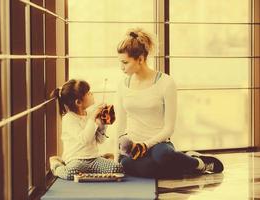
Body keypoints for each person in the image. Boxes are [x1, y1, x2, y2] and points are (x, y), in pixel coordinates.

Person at [114, 28, 224, 178]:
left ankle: (199, 164)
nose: (121, 67)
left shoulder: (165, 82)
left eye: (125, 62)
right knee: (133, 166)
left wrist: (146, 145)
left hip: (159, 144)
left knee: (163, 156)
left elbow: (169, 129)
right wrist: (116, 161)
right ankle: (183, 161)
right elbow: (120, 127)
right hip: (133, 149)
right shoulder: (122, 85)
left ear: (140, 59)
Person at [49, 79, 123, 180]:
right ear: (78, 102)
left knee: (117, 168)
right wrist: (93, 119)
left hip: (93, 158)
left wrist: (102, 123)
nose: (91, 94)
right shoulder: (69, 119)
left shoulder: (90, 115)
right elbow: (85, 139)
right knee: (71, 173)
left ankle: (103, 158)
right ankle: (56, 164)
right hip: (76, 159)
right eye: (88, 93)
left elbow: (100, 140)